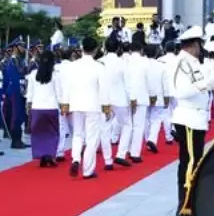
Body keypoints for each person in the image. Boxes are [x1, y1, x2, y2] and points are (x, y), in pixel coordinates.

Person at [170, 26, 214, 216]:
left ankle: (192, 199)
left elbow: (200, 86)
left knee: (194, 161)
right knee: (189, 162)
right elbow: (181, 91)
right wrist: (208, 81)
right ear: (193, 45)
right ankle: (186, 203)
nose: (201, 48)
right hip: (188, 118)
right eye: (199, 45)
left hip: (197, 118)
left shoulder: (193, 63)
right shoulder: (181, 63)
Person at [64, 36, 109, 179]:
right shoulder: (99, 67)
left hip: (76, 104)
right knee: (91, 138)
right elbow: (103, 89)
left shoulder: (72, 66)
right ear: (96, 50)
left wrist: (65, 103)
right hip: (93, 105)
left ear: (82, 48)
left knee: (77, 134)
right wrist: (106, 106)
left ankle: (76, 158)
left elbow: (67, 87)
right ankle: (87, 170)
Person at [25, 49, 63, 168]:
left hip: (37, 107)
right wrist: (63, 105)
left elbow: (29, 92)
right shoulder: (55, 75)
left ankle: (41, 156)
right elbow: (59, 93)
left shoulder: (33, 74)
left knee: (38, 133)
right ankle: (50, 155)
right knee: (52, 133)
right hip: (51, 107)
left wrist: (28, 105)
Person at [101, 37, 132, 168]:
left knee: (105, 129)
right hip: (120, 99)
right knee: (127, 125)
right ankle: (120, 154)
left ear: (105, 47)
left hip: (104, 100)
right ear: (119, 48)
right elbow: (128, 83)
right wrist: (132, 98)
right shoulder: (123, 63)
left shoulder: (100, 62)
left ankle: (108, 160)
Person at [123, 40, 151, 164]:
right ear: (141, 50)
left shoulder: (124, 61)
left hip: (127, 97)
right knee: (139, 126)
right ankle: (135, 153)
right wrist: (152, 94)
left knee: (128, 125)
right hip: (141, 96)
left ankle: (127, 150)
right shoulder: (145, 61)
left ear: (130, 50)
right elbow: (149, 80)